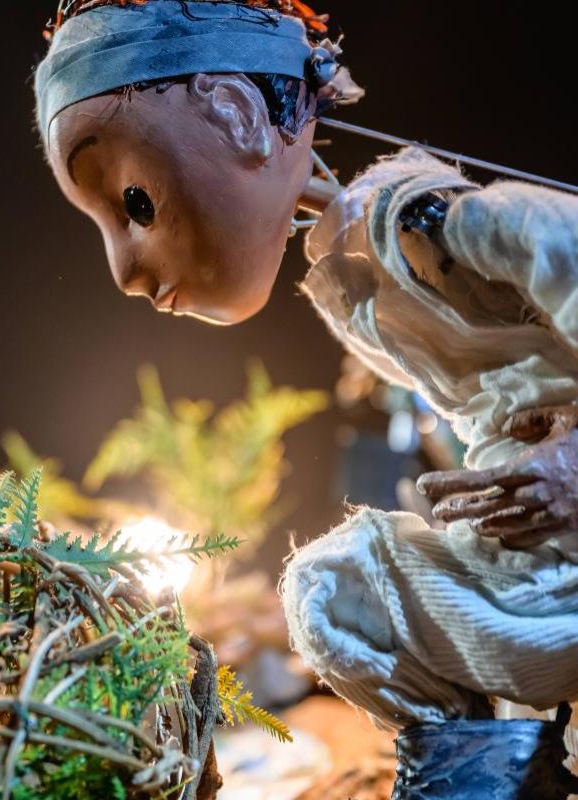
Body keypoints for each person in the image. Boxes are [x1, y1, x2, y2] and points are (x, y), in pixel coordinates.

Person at [35, 2, 578, 795]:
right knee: (332, 590)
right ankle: (484, 777)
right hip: (542, 572)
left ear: (237, 114)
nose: (126, 271)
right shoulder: (351, 260)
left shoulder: (438, 222)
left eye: (135, 205)